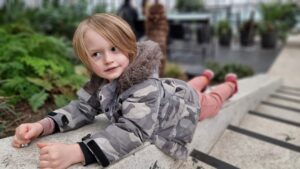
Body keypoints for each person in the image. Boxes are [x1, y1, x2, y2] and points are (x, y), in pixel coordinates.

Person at [11, 13, 238, 169]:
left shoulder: (144, 86)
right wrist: (42, 126)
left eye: (113, 49)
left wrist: (77, 152)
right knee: (192, 85)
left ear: (129, 47)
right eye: (96, 54)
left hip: (187, 104)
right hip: (173, 89)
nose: (107, 59)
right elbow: (81, 108)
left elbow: (133, 130)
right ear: (87, 61)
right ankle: (204, 77)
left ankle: (228, 85)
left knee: (212, 100)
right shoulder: (100, 81)